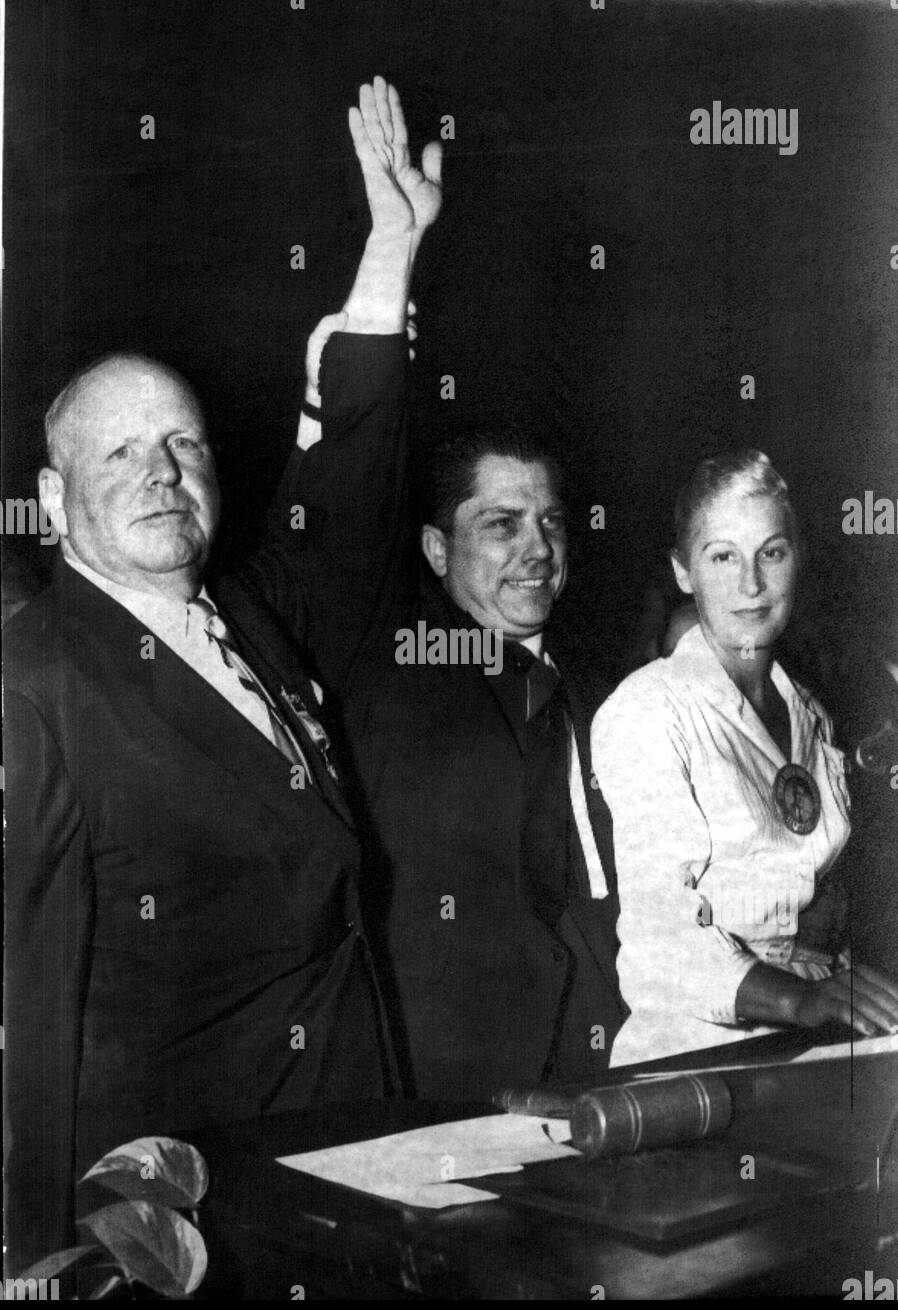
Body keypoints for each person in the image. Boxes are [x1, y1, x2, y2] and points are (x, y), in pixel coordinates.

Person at [2, 77, 438, 1274]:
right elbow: (21, 996)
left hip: (351, 1168)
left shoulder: (243, 610)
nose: (161, 471)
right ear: (53, 501)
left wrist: (389, 251)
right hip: (179, 1230)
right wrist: (47, 1261)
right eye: (122, 451)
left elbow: (346, 510)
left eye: (183, 443)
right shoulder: (30, 682)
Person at [273, 87, 624, 1102]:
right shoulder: (382, 655)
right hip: (439, 1093)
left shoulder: (600, 686)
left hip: (601, 1068)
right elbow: (339, 503)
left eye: (551, 522)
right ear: (432, 548)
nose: (537, 549)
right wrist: (394, 249)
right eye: (500, 524)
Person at [591, 448, 898, 1066]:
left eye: (772, 553)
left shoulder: (811, 712)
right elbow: (661, 941)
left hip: (813, 1038)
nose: (751, 584)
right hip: (692, 1056)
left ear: (797, 560)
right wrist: (803, 1000)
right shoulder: (649, 710)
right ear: (684, 572)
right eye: (722, 556)